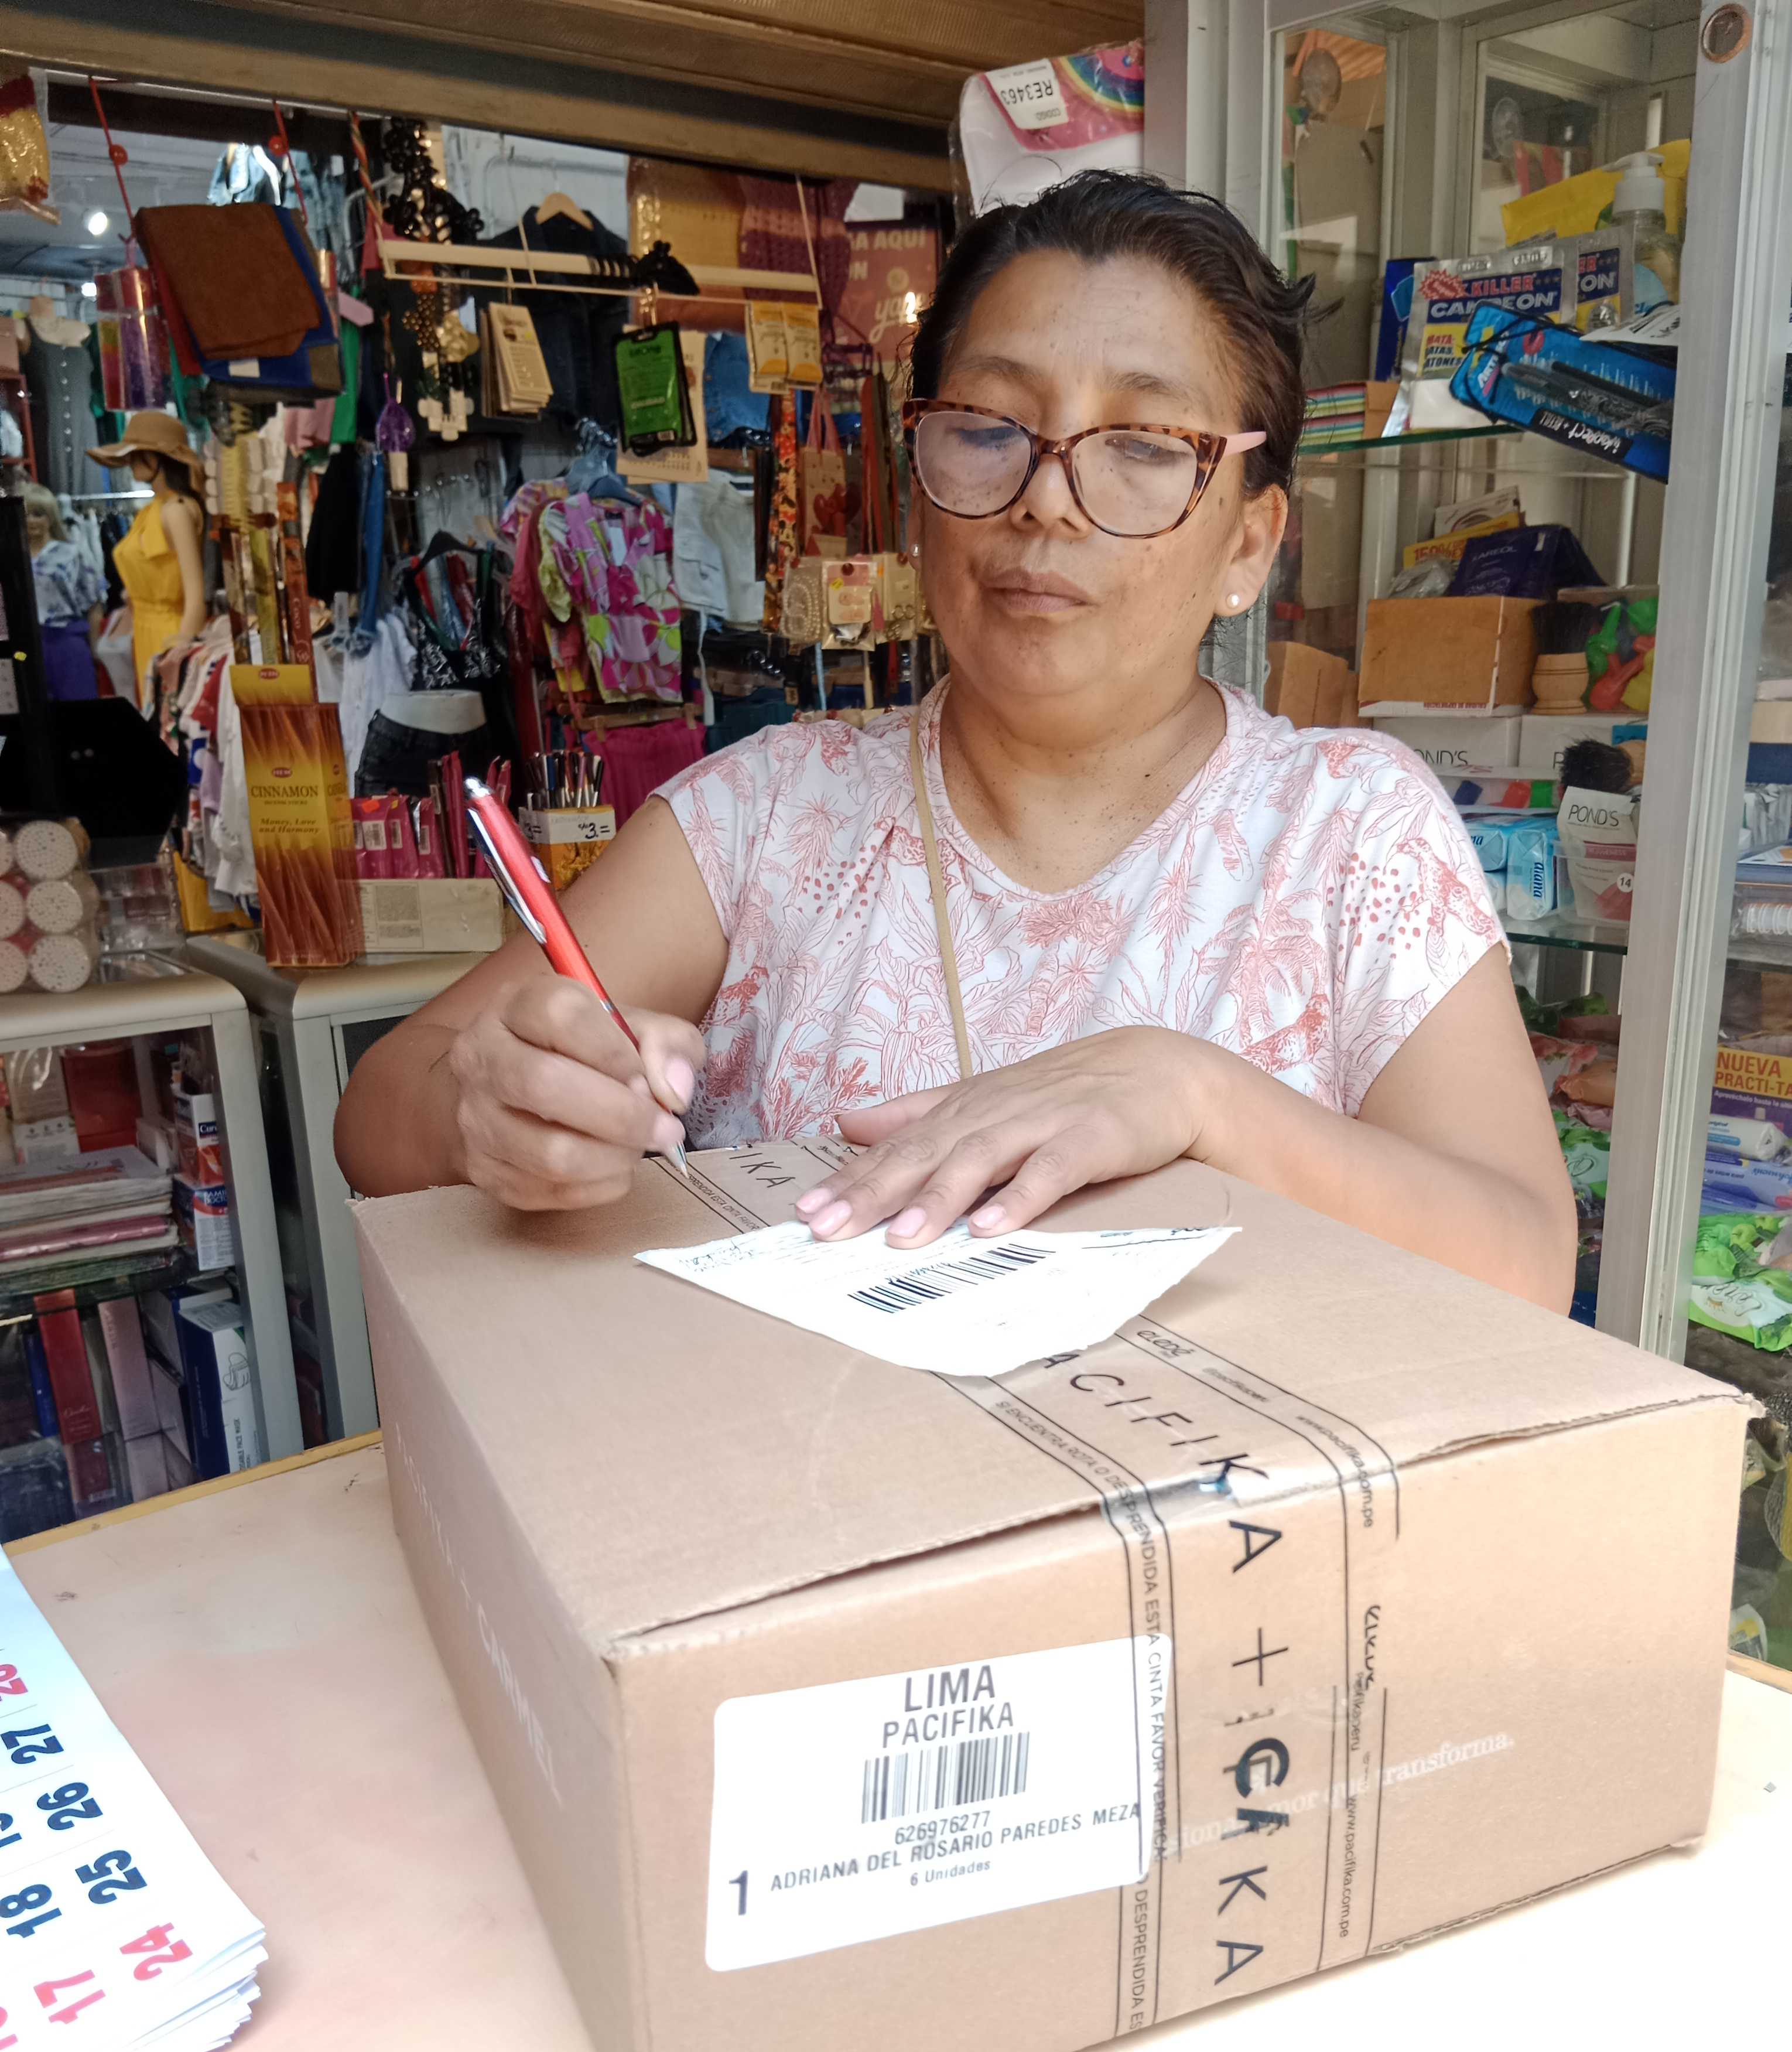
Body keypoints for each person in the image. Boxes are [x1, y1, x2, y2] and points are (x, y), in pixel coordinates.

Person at [337, 173, 1576, 1310]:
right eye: (988, 428)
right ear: (921, 484)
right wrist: (488, 1110)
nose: (1046, 499)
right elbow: (379, 1111)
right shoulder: (770, 817)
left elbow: (1524, 1257)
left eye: (1144, 447)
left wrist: (1196, 1095)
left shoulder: (1352, 833)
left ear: (1249, 544)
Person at [84, 410, 207, 706]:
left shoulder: (176, 510)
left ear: (159, 457)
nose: (131, 462)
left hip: (170, 633)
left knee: (170, 718)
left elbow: (195, 595)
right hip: (145, 631)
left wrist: (180, 650)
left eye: (138, 454)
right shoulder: (153, 510)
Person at [23, 482, 103, 701]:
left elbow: (94, 603)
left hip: (67, 642)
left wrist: (95, 648)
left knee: (78, 707)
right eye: (26, 514)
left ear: (51, 517)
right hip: (26, 647)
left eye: (39, 514)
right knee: (34, 711)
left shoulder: (72, 554)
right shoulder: (13, 557)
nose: (31, 521)